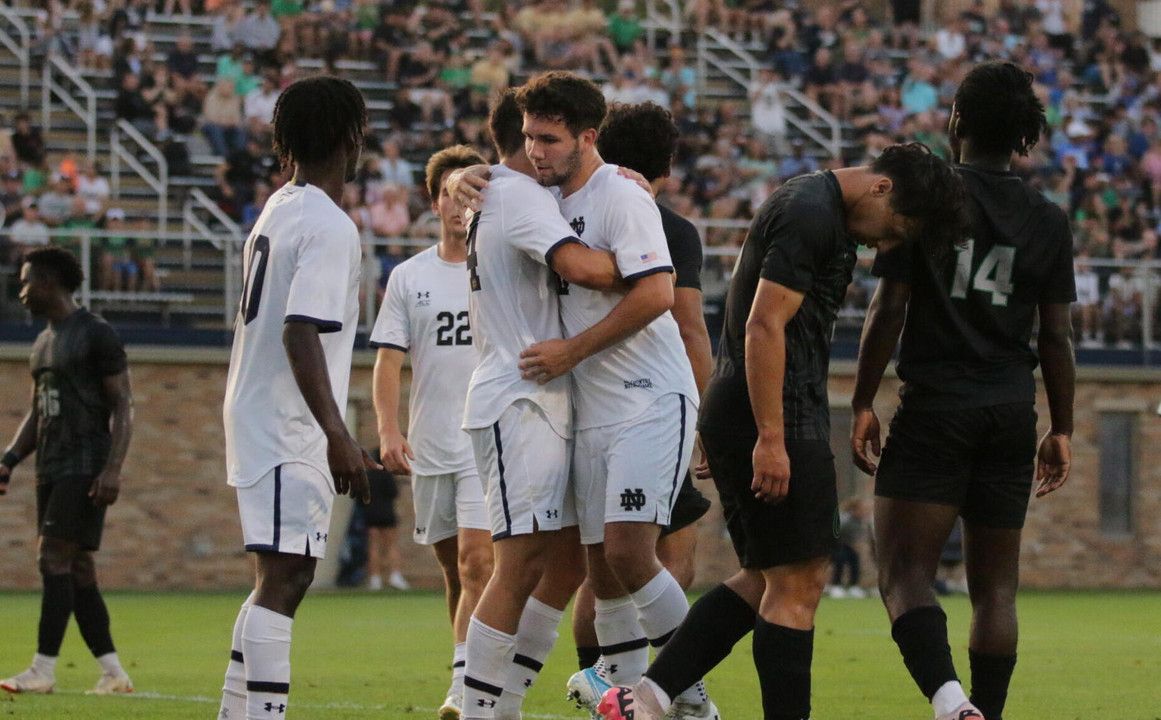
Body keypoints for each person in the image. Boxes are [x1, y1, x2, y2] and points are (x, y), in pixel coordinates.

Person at [597, 142, 968, 720]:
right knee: (799, 583)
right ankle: (649, 698)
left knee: (769, 576)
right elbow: (764, 324)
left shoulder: (820, 208)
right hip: (775, 411)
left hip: (760, 407)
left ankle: (645, 698)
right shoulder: (810, 214)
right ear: (881, 188)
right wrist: (770, 436)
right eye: (896, 228)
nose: (887, 244)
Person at [849, 61, 1076, 720]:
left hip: (935, 406)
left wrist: (862, 400)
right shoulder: (1048, 219)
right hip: (1009, 410)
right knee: (996, 590)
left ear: (956, 120)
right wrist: (1059, 428)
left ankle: (952, 705)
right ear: (1023, 137)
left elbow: (888, 308)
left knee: (900, 571)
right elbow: (1055, 338)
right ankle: (987, 713)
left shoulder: (930, 196)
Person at [506, 72, 714, 720]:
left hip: (649, 398)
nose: (535, 151)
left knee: (629, 551)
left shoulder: (620, 197)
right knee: (602, 577)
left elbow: (656, 295)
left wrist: (570, 351)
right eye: (528, 138)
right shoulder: (544, 201)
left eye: (548, 138)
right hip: (591, 408)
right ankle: (630, 703)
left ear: (587, 137)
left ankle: (696, 704)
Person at [454, 88, 623, 720]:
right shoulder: (517, 195)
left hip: (536, 397)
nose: (543, 149)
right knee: (519, 563)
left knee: (560, 562)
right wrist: (645, 256)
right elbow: (584, 268)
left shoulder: (504, 191)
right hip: (518, 395)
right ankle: (478, 710)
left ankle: (506, 702)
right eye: (538, 138)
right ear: (521, 139)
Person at [217, 75, 376, 720]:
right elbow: (299, 329)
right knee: (285, 578)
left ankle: (235, 712)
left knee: (279, 577)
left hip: (264, 411)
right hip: (287, 422)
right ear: (351, 137)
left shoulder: (281, 205)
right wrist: (339, 434)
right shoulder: (327, 223)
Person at [567, 100, 716, 718]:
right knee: (632, 562)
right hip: (630, 401)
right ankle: (637, 692)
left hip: (620, 405)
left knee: (618, 561)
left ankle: (670, 694)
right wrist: (707, 421)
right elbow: (690, 328)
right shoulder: (667, 225)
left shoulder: (573, 213)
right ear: (668, 165)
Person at [370, 143, 494, 719]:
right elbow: (389, 361)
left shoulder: (497, 267)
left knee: (477, 562)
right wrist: (388, 432)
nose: (455, 205)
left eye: (465, 193)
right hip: (431, 445)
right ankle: (469, 665)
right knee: (453, 569)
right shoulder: (409, 277)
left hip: (486, 439)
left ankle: (466, 689)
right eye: (447, 194)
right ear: (434, 200)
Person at [0, 246, 134, 695]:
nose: (21, 292)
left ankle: (42, 669)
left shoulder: (95, 333)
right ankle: (114, 673)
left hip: (85, 463)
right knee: (76, 569)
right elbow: (40, 413)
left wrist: (113, 468)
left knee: (51, 556)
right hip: (52, 465)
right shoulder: (42, 343)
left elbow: (123, 405)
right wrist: (10, 459)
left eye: (26, 282)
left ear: (50, 282)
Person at [363, 448, 409, 592]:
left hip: (371, 514)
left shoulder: (368, 475)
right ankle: (394, 575)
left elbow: (360, 496)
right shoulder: (387, 475)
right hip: (387, 514)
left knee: (373, 547)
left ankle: (375, 579)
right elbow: (394, 493)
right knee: (391, 546)